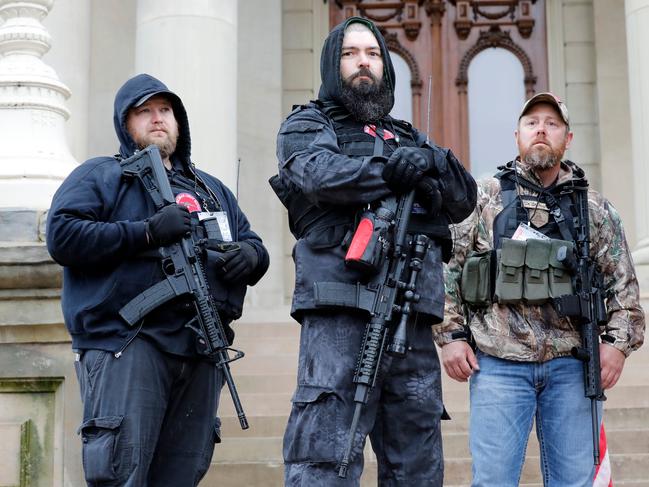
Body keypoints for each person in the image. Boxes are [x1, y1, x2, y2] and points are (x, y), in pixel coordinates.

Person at [271, 17, 477, 486]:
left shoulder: (409, 136)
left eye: (372, 53)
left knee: (417, 463)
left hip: (410, 316)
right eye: (350, 53)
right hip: (340, 309)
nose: (363, 62)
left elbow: (462, 199)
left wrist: (428, 160)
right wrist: (391, 170)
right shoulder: (307, 124)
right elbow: (318, 174)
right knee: (325, 455)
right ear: (331, 63)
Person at [46, 73, 269, 486]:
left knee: (181, 475)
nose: (157, 119)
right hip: (129, 344)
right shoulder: (102, 175)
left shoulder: (211, 189)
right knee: (122, 472)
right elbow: (62, 235)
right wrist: (144, 232)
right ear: (125, 124)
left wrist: (252, 256)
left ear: (178, 120)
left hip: (201, 349)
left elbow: (251, 239)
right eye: (143, 112)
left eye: (164, 110)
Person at [436, 92, 645, 486]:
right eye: (532, 123)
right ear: (517, 135)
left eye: (552, 124)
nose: (541, 131)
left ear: (568, 138)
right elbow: (446, 268)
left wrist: (616, 345)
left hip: (572, 365)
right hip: (498, 365)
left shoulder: (593, 209)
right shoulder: (484, 198)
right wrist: (450, 336)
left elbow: (624, 290)